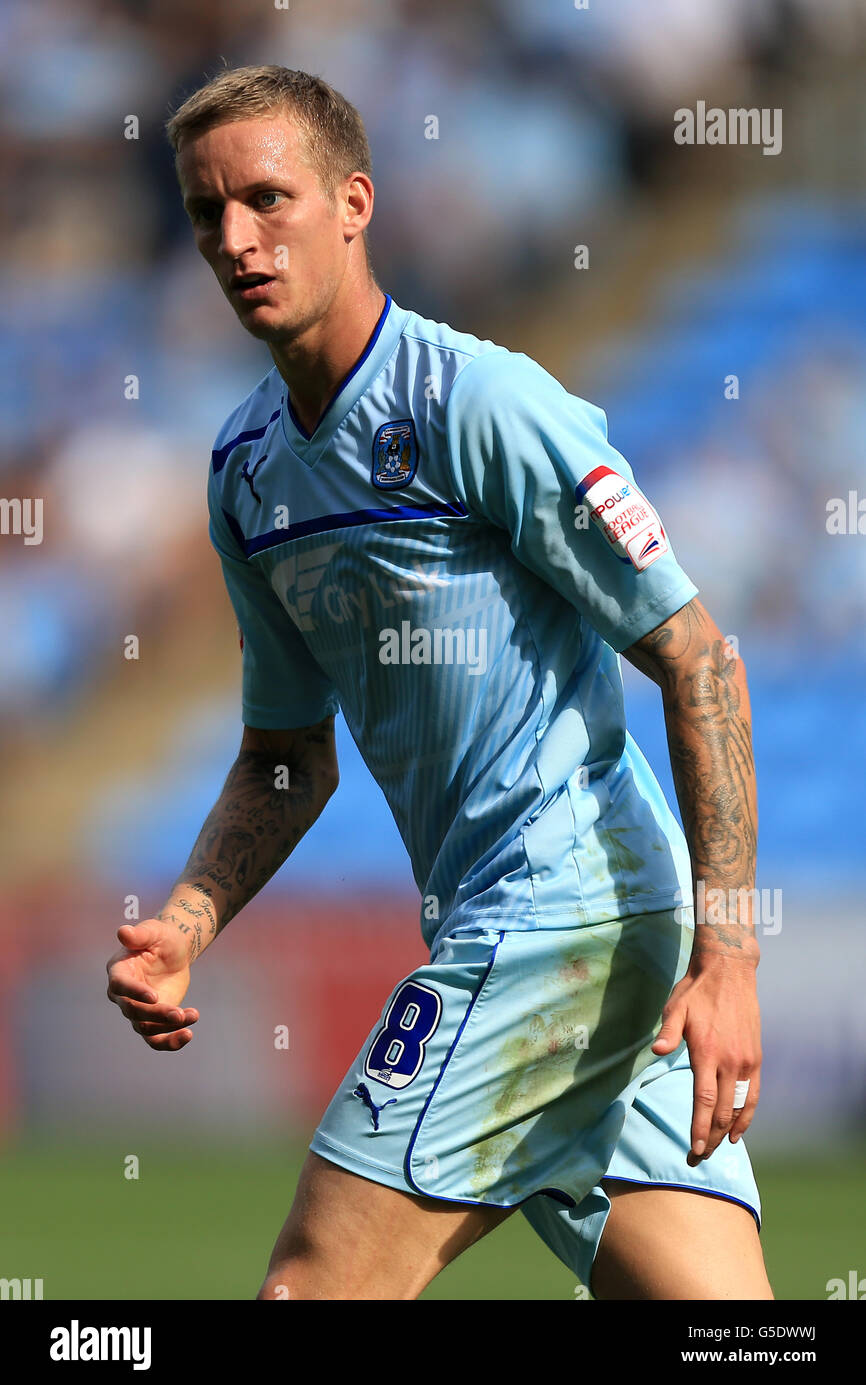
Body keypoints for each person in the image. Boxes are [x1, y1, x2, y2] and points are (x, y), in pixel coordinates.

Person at [106, 65, 772, 1301]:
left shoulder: (480, 403)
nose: (237, 241)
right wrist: (186, 924)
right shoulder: (248, 473)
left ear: (353, 202)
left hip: (555, 916)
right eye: (208, 215)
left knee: (313, 1290)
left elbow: (697, 661)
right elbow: (285, 754)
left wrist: (728, 959)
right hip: (578, 940)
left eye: (268, 199)